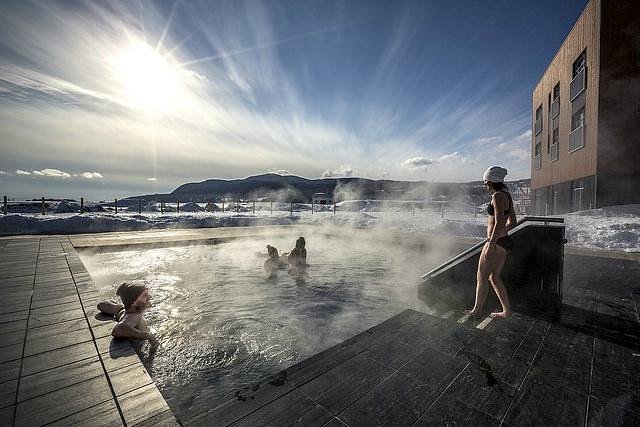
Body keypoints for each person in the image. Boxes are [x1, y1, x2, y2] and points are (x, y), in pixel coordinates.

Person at [469, 166, 517, 318]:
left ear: (491, 181)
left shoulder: (497, 196)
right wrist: (501, 233)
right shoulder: (506, 195)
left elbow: (499, 221)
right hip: (504, 241)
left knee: (481, 278)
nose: (485, 185)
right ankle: (506, 311)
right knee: (494, 278)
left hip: (496, 243)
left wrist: (491, 242)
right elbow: (513, 221)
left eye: (485, 182)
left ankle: (476, 311)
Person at [97, 281, 158, 346]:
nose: (149, 297)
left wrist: (119, 308)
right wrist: (148, 336)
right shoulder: (135, 316)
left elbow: (100, 305)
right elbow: (118, 329)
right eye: (144, 295)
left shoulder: (122, 310)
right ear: (133, 302)